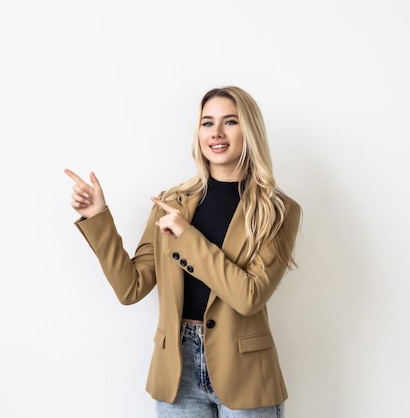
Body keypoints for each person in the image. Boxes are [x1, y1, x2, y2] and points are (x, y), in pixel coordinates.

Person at [64, 85, 301, 417]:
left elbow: (249, 296)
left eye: (230, 121)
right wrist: (97, 218)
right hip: (177, 369)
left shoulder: (277, 210)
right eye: (207, 123)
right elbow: (130, 288)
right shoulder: (171, 203)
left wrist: (187, 237)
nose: (216, 133)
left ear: (250, 129)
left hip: (245, 372)